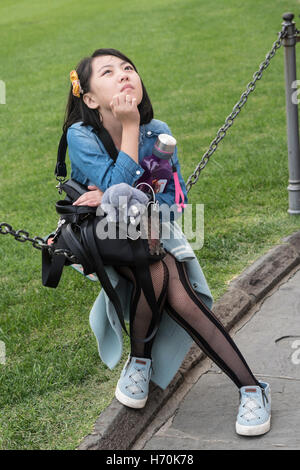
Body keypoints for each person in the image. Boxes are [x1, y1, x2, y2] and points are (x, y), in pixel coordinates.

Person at [62, 48, 271, 437]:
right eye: (108, 72)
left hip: (154, 231)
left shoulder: (158, 130)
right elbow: (119, 197)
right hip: (104, 239)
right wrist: (127, 132)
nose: (124, 75)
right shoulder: (81, 134)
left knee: (163, 278)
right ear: (90, 98)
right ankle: (247, 386)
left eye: (128, 68)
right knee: (163, 275)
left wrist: (114, 194)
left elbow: (175, 200)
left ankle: (239, 385)